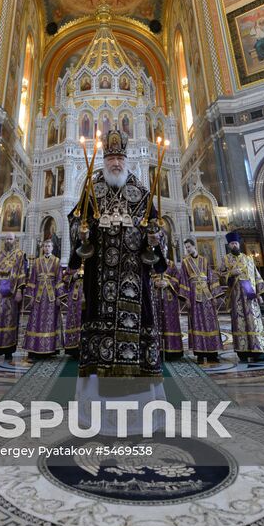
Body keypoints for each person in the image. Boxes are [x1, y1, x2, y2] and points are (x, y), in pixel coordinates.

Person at [67, 128, 165, 377]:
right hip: (99, 273)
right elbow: (76, 219)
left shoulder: (141, 191)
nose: (116, 164)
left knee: (139, 317)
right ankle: (98, 368)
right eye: (111, 159)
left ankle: (139, 371)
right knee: (98, 316)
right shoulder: (92, 189)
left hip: (133, 270)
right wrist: (81, 232)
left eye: (120, 159)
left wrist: (155, 238)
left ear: (126, 160)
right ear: (104, 161)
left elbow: (156, 225)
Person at [220, 232, 264, 362]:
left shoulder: (248, 259)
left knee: (254, 322)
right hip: (237, 299)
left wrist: (259, 294)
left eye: (235, 243)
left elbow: (256, 276)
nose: (234, 245)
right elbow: (221, 276)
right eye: (232, 243)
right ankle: (243, 351)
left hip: (250, 298)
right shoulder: (225, 260)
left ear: (238, 244)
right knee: (240, 323)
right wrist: (231, 274)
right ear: (229, 245)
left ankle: (259, 351)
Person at [179, 238, 223, 363]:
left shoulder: (204, 260)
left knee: (210, 322)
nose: (187, 249)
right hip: (194, 296)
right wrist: (186, 298)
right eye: (186, 247)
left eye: (189, 247)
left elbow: (211, 277)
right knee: (197, 322)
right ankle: (200, 353)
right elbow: (184, 280)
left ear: (194, 246)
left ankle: (213, 353)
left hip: (207, 296)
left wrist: (214, 296)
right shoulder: (185, 262)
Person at [22, 239, 64, 358]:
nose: (47, 248)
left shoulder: (56, 261)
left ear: (52, 248)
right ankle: (33, 348)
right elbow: (32, 279)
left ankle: (49, 349)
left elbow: (59, 280)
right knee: (36, 321)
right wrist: (30, 296)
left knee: (50, 322)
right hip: (38, 296)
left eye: (49, 246)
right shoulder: (36, 261)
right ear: (43, 248)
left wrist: (59, 296)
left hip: (51, 296)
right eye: (45, 246)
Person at [152, 257, 184, 361]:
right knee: (156, 322)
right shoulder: (151, 262)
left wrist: (168, 283)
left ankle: (172, 351)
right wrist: (154, 283)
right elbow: (147, 276)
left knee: (170, 322)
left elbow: (178, 277)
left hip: (170, 297)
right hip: (155, 296)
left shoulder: (171, 264)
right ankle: (157, 350)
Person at [63, 264, 84, 359]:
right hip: (75, 296)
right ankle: (73, 349)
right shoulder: (74, 262)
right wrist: (73, 276)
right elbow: (65, 277)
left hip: (87, 294)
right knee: (74, 319)